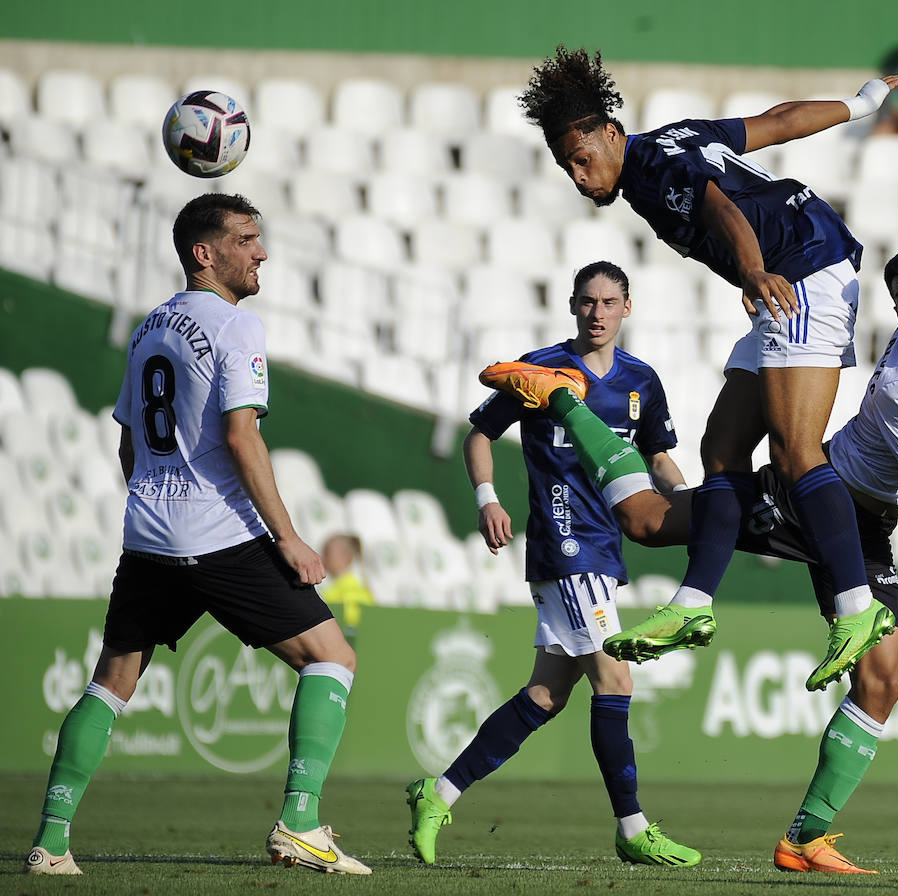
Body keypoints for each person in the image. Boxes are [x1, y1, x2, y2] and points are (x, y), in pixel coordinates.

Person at [480, 110, 898, 874]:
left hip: (865, 529)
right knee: (645, 520)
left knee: (884, 679)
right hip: (817, 504)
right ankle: (562, 396)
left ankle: (803, 838)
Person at [514, 46, 898, 693]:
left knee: (796, 454)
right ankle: (693, 604)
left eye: (583, 160)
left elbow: (721, 209)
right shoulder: (674, 138)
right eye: (568, 168)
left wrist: (752, 270)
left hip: (797, 266)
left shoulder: (647, 168)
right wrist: (860, 104)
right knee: (720, 452)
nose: (581, 179)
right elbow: (778, 121)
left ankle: (856, 608)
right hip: (797, 258)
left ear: (611, 134)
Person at [23, 193, 369, 876]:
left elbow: (128, 441)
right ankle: (299, 823)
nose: (261, 251)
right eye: (245, 240)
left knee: (111, 683)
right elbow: (244, 439)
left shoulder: (150, 325)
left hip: (149, 534)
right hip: (219, 534)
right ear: (203, 254)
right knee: (332, 658)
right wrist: (291, 537)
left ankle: (51, 842)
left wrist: (156, 501)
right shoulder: (237, 327)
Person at [405, 261, 700, 867]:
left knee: (544, 696)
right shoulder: (540, 371)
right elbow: (480, 434)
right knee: (615, 678)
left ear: (627, 308)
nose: (597, 312)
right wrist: (488, 498)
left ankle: (437, 793)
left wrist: (694, 509)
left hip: (605, 547)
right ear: (572, 305)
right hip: (566, 546)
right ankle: (633, 827)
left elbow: (659, 459)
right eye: (587, 301)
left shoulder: (641, 381)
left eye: (609, 301)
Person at [319, 533, 374, 646]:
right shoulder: (335, 588)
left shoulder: (354, 590)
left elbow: (353, 626)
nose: (322, 558)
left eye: (327, 552)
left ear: (346, 556)